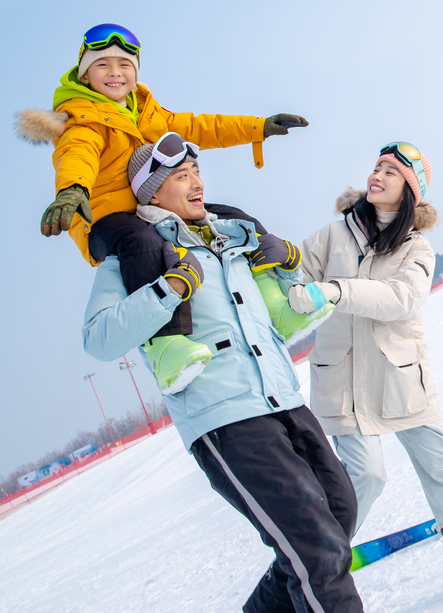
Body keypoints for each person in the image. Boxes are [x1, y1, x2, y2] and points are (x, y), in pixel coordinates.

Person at [81, 136, 363, 613]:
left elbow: (269, 319)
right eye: (180, 176)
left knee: (339, 513)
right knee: (316, 548)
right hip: (224, 417)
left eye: (197, 172)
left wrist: (289, 272)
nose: (197, 183)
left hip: (282, 399)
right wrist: (167, 289)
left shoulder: (231, 243)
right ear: (151, 192)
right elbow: (99, 338)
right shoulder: (136, 257)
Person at [17, 23, 314, 394]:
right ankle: (165, 345)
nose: (115, 73)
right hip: (105, 219)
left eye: (124, 65)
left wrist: (258, 128)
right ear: (85, 73)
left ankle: (275, 301)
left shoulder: (146, 111)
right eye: (102, 65)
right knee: (142, 242)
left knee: (234, 217)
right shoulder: (81, 118)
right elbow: (76, 156)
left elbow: (201, 127)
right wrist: (72, 191)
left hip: (153, 208)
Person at [288, 142, 443, 586]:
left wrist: (336, 291)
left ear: (410, 192)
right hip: (342, 379)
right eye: (377, 167)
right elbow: (294, 282)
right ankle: (312, 568)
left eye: (391, 172)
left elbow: (403, 299)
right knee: (364, 476)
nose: (377, 175)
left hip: (401, 376)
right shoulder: (331, 236)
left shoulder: (417, 248)